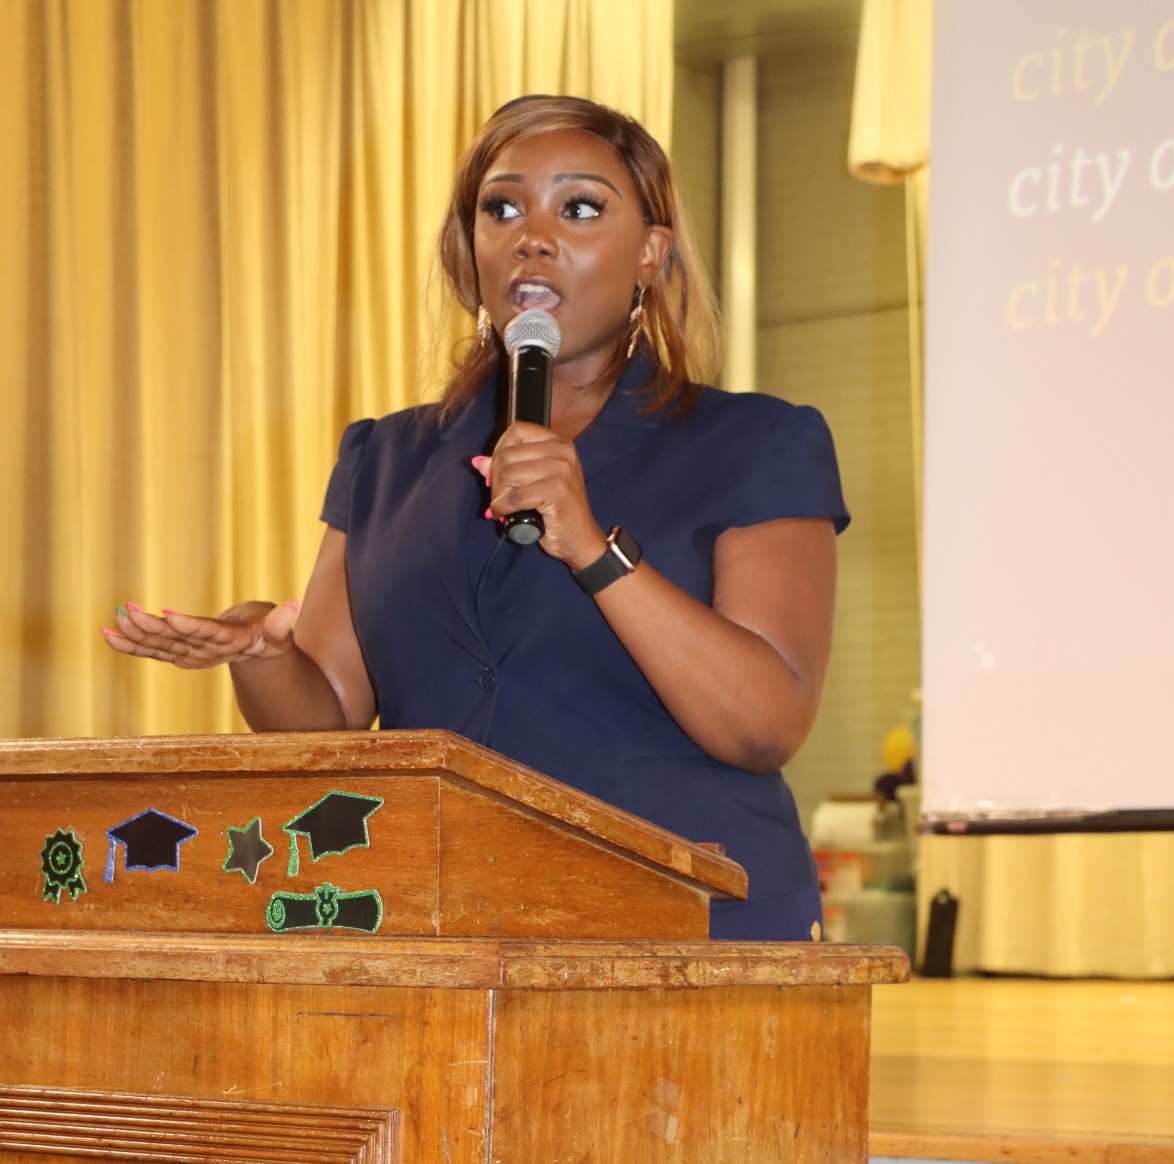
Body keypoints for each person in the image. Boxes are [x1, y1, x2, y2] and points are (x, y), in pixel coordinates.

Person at [103, 94, 849, 940]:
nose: (533, 236)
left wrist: (594, 550)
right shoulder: (385, 459)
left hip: (689, 923)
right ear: (470, 253)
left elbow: (763, 725)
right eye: (501, 208)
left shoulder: (754, 442)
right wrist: (264, 654)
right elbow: (332, 719)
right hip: (447, 919)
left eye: (579, 207)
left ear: (650, 253)